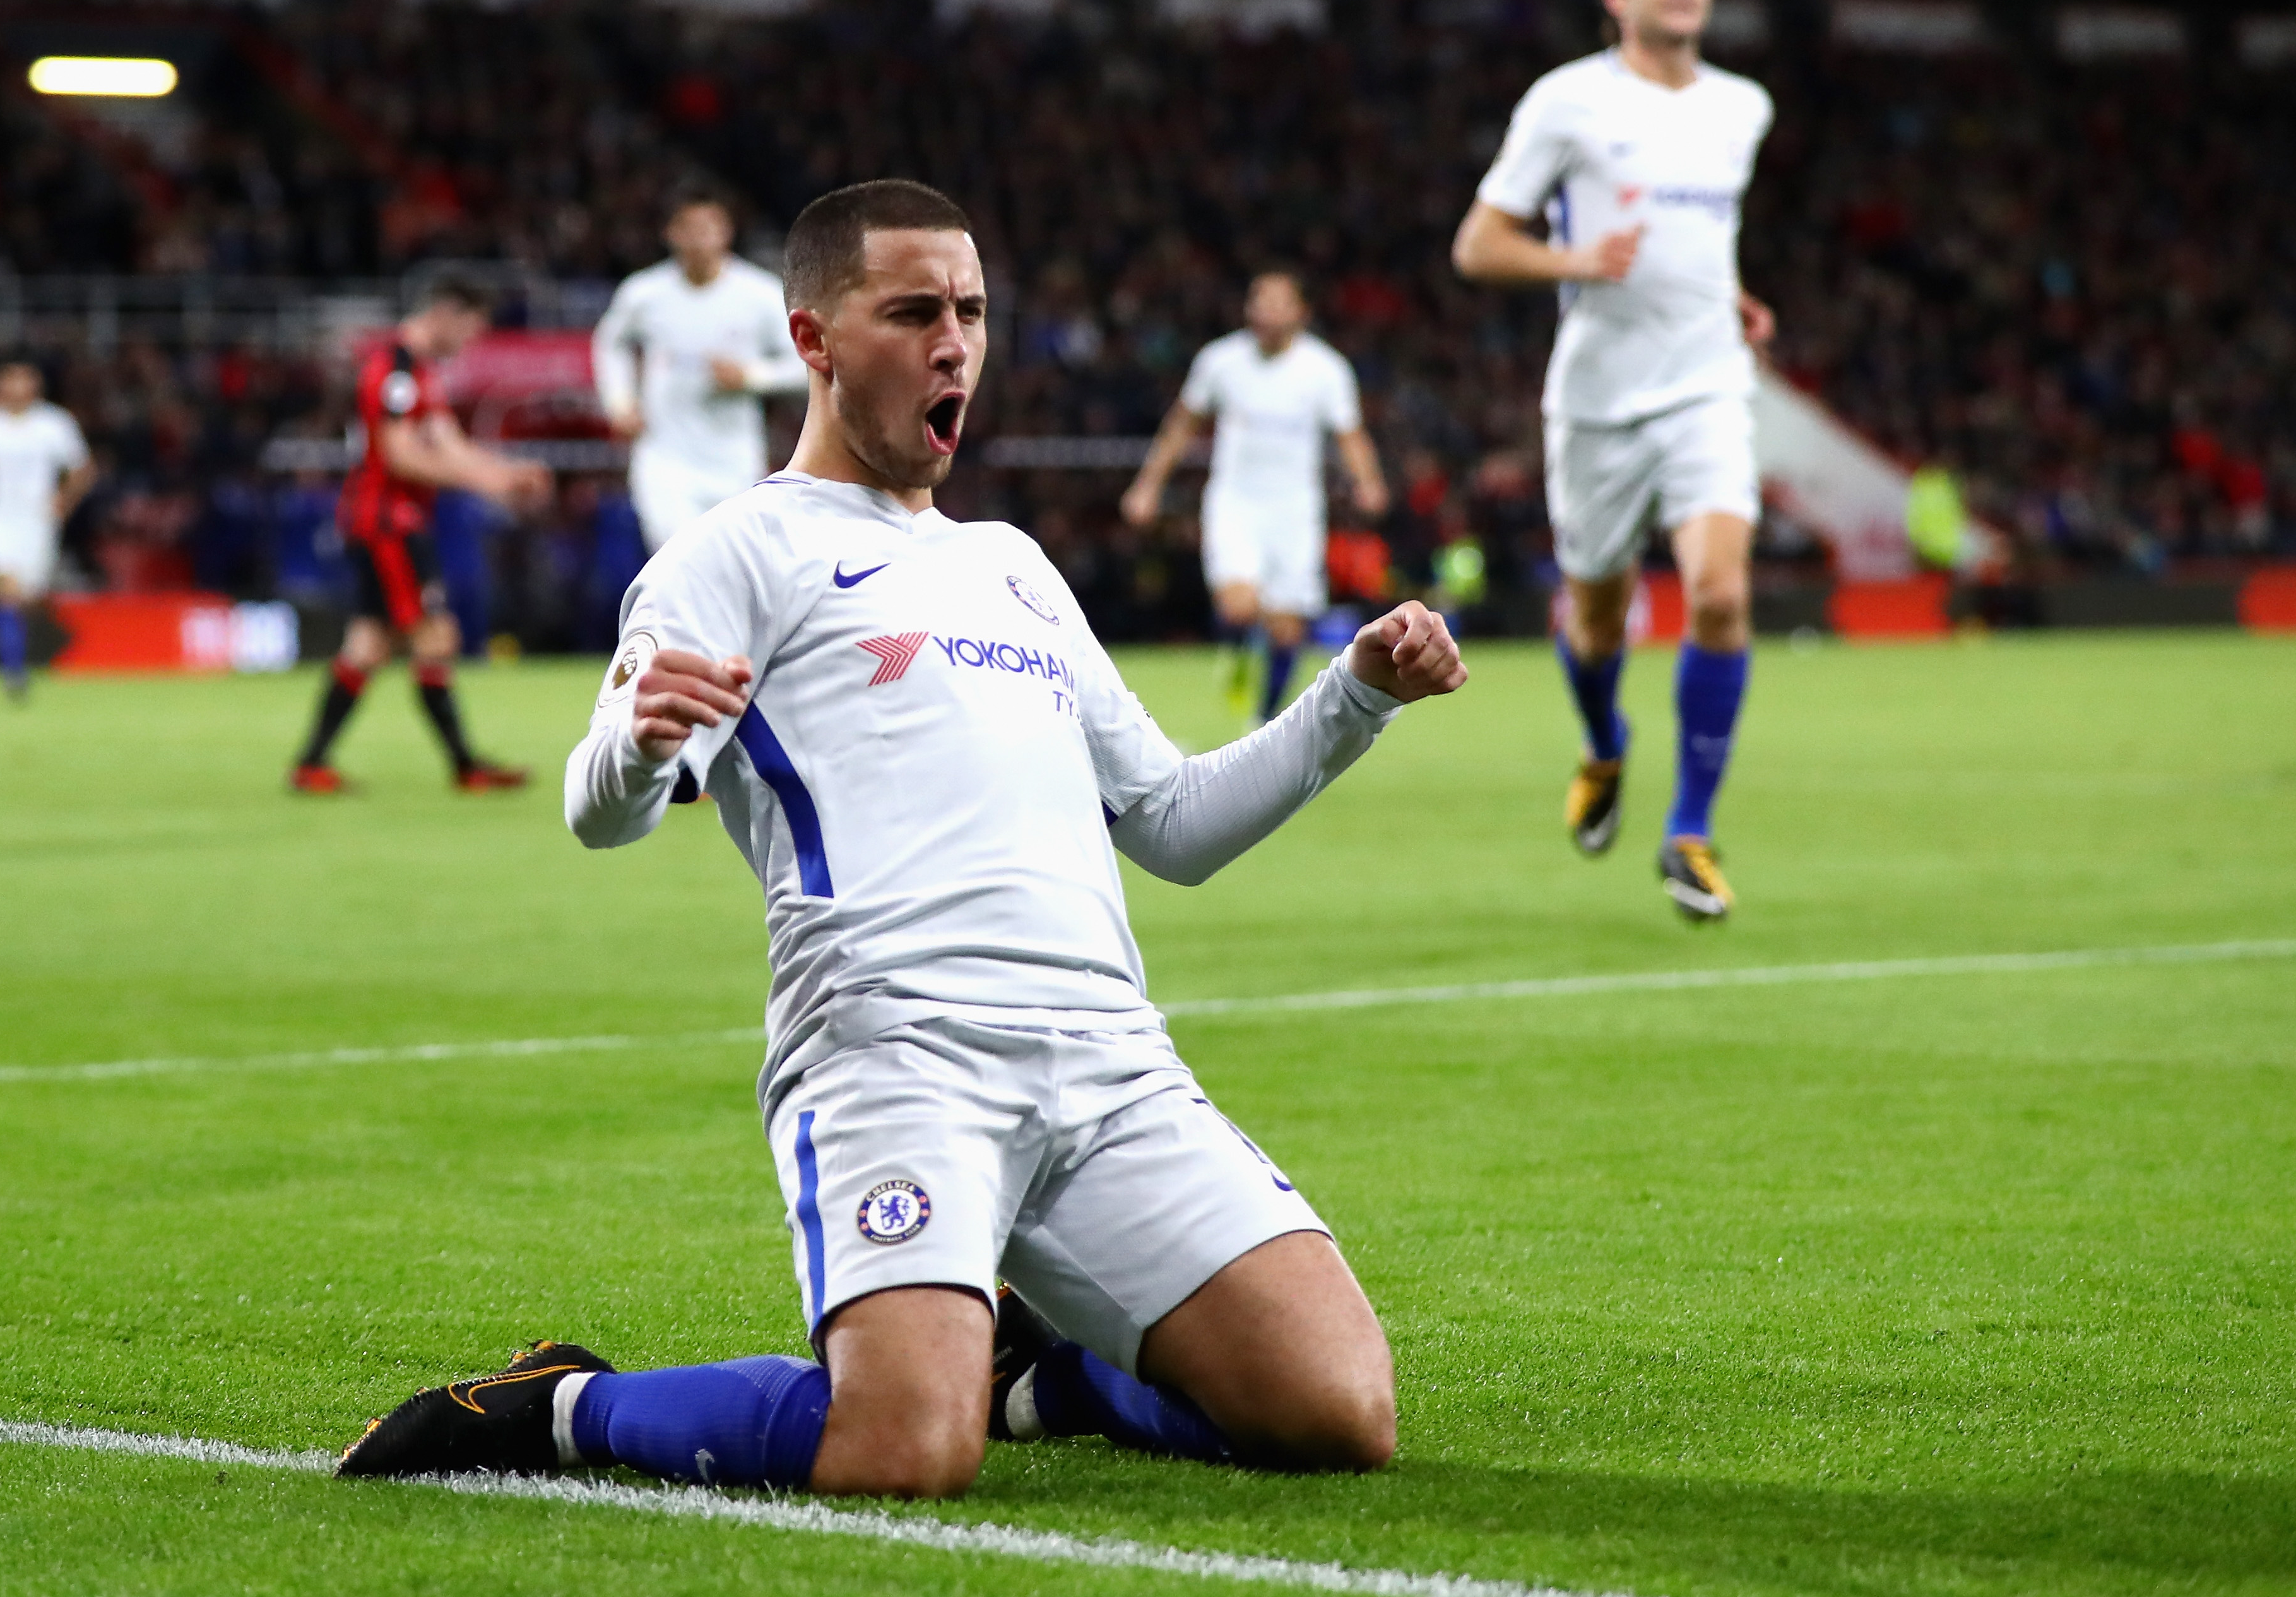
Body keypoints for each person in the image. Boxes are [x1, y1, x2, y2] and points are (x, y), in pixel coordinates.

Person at [334, 179, 1467, 1496]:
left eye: (973, 312)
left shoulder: (1016, 566)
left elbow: (1172, 826)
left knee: (1339, 1413)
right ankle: (561, 1407)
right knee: (904, 1453)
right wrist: (638, 744)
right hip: (897, 1054)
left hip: (1107, 1060)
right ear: (813, 340)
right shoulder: (736, 552)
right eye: (914, 311)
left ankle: (1052, 1379)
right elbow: (601, 811)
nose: (955, 344)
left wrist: (1354, 698)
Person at [1451, 0, 1775, 925]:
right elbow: (1477, 245)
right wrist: (1573, 260)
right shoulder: (1565, 103)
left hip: (1708, 384)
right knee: (1597, 622)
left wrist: (1729, 294)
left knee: (1718, 597)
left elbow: (1698, 234)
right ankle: (1602, 744)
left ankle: (1687, 830)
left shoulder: (1742, 108)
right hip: (1595, 399)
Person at [290, 278, 550, 795]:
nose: (469, 342)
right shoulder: (396, 371)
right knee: (436, 636)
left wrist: (505, 477)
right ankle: (465, 765)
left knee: (367, 645)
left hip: (390, 521)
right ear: (447, 313)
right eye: (470, 329)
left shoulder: (421, 372)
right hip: (389, 523)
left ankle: (311, 764)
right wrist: (487, 481)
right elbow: (399, 454)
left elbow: (448, 445)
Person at [1122, 273, 1389, 725]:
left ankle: (1263, 721)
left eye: (1278, 302)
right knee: (1238, 605)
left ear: (1301, 313)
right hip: (1236, 502)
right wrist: (1147, 485)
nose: (1265, 311)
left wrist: (1369, 481)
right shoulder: (1221, 361)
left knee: (1288, 628)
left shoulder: (1325, 370)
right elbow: (1181, 425)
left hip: (1295, 509)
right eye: (1258, 301)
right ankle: (1240, 653)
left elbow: (1350, 435)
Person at [593, 184, 810, 552]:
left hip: (734, 459)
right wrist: (619, 402)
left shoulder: (760, 294)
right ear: (670, 233)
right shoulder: (644, 293)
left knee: (731, 565)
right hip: (664, 458)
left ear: (727, 230)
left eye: (708, 227)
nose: (698, 238)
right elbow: (610, 343)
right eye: (687, 227)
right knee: (675, 559)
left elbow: (805, 365)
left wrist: (751, 376)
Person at [0, 359, 95, 701]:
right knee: (6, 590)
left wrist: (64, 501)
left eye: (24, 383)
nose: (17, 390)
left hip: (37, 522)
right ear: (0, 387)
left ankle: (18, 658)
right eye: (10, 383)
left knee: (26, 599)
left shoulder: (54, 424)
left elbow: (82, 469)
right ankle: (13, 674)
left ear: (35, 387)